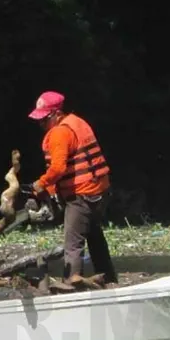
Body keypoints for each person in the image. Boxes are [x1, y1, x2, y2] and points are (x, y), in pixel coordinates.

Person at [28, 91, 118, 287]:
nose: (41, 125)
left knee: (73, 239)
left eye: (44, 119)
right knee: (94, 233)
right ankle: (108, 276)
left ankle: (72, 278)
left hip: (82, 193)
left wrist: (41, 184)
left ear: (56, 114)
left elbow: (58, 168)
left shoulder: (60, 132)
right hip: (99, 190)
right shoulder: (77, 122)